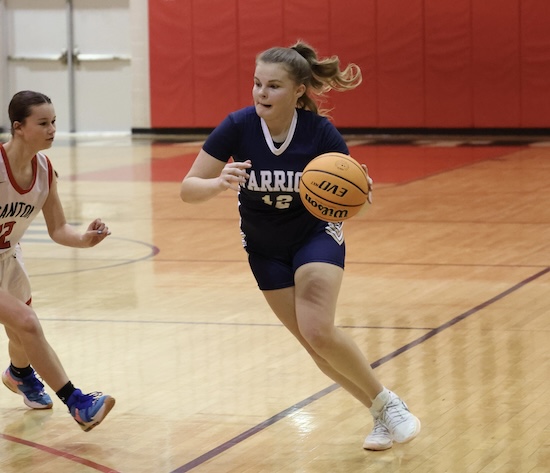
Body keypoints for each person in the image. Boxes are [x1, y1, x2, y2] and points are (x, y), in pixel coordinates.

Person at [179, 41, 420, 451]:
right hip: (264, 248)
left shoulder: (319, 132)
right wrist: (218, 182)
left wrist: (361, 192)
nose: (261, 92)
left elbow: (354, 198)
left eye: (273, 86)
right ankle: (380, 411)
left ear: (298, 91)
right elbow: (188, 189)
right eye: (257, 83)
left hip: (315, 236)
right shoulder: (237, 126)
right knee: (315, 346)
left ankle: (388, 403)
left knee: (318, 330)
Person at [0, 90, 115, 432]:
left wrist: (84, 239)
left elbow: (58, 228)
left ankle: (19, 374)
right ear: (18, 127)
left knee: (20, 335)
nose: (52, 130)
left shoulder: (45, 170)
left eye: (53, 122)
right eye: (43, 123)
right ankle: (77, 403)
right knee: (27, 322)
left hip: (8, 257)